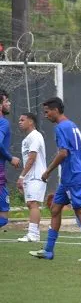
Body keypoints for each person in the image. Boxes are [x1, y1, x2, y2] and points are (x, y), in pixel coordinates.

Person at [29, 97, 81, 261]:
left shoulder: (61, 128)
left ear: (55, 110)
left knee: (79, 210)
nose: (45, 115)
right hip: (71, 175)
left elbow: (63, 153)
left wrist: (48, 171)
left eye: (47, 111)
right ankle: (48, 250)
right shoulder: (72, 125)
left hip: (72, 175)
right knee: (55, 209)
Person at [16, 113, 47, 242]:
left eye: (22, 120)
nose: (19, 122)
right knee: (30, 204)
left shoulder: (35, 136)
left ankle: (33, 234)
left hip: (36, 176)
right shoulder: (27, 138)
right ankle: (34, 233)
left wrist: (21, 176)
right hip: (30, 177)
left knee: (33, 203)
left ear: (31, 122)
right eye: (19, 120)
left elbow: (32, 158)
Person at [0, 89, 21, 230]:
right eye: (6, 101)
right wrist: (10, 157)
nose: (9, 103)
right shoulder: (3, 123)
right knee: (4, 216)